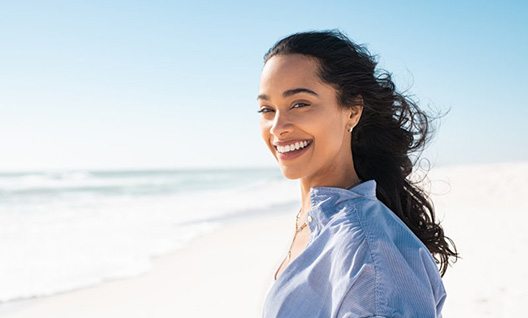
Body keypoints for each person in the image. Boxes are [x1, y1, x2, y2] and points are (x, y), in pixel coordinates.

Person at [257, 30, 458, 318]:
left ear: (352, 111)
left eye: (300, 104)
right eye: (267, 109)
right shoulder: (315, 219)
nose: (277, 127)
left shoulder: (367, 254)